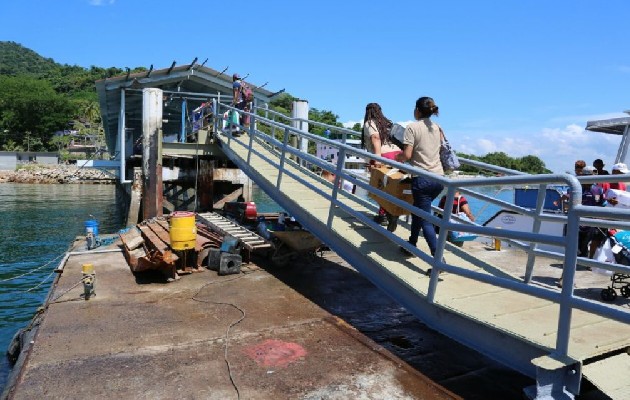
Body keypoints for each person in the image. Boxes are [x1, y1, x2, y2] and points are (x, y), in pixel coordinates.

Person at [395, 97, 444, 258]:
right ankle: (412, 244)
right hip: (439, 179)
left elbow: (407, 155)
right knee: (419, 210)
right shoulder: (437, 127)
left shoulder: (412, 128)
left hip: (422, 179)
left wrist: (398, 157)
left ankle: (438, 258)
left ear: (417, 110)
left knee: (425, 218)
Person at [363, 103, 402, 231]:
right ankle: (387, 214)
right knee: (390, 188)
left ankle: (387, 215)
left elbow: (375, 138)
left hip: (384, 156)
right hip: (397, 155)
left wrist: (376, 159)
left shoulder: (370, 123)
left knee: (379, 187)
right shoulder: (387, 123)